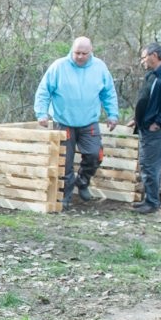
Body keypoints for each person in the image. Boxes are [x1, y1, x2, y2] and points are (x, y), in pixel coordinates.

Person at [34, 37, 119, 209]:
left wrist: (113, 114)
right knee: (65, 161)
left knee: (95, 154)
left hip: (88, 121)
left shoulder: (100, 67)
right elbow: (44, 91)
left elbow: (108, 93)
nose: (80, 57)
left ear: (91, 52)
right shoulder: (59, 67)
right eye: (77, 53)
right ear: (72, 50)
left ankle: (83, 181)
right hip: (63, 121)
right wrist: (42, 113)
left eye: (84, 54)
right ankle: (64, 196)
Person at [132, 42, 161, 214]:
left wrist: (157, 123)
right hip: (145, 127)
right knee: (146, 164)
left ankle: (152, 203)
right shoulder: (153, 75)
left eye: (144, 57)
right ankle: (148, 199)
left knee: (151, 166)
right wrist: (137, 119)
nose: (142, 61)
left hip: (156, 131)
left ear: (154, 55)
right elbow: (148, 101)